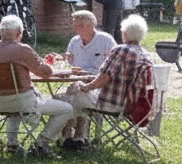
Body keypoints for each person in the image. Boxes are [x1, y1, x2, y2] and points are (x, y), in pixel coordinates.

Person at [0, 15, 75, 157]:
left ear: (1, 32)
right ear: (20, 32)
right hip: (23, 102)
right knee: (66, 109)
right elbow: (45, 72)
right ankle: (41, 143)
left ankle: (12, 143)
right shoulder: (22, 49)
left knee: (14, 104)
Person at [57, 14, 154, 147]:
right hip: (135, 103)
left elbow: (104, 78)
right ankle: (80, 138)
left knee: (75, 92)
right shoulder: (146, 53)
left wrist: (87, 87)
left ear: (124, 33)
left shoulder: (120, 50)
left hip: (115, 103)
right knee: (78, 93)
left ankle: (69, 138)